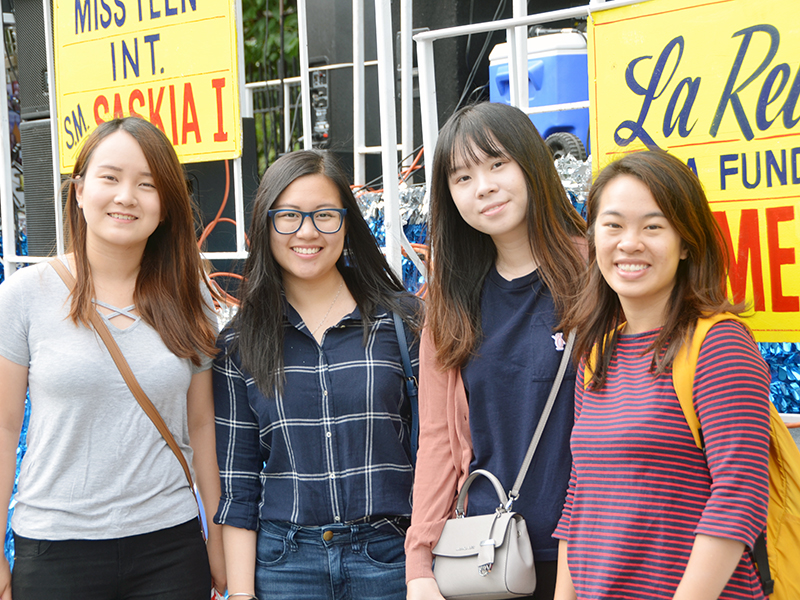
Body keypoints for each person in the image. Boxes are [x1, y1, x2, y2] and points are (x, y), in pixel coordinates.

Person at [0, 117, 226, 599]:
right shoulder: (23, 296)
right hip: (55, 549)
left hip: (169, 547)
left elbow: (202, 425)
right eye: (110, 177)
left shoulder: (191, 298)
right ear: (78, 191)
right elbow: (2, 430)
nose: (126, 196)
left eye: (147, 184)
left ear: (165, 206)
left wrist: (217, 536)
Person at [552, 150, 770, 600]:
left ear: (687, 242)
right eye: (613, 225)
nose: (630, 243)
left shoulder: (718, 344)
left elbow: (738, 496)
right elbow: (581, 496)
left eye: (653, 226)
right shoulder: (597, 350)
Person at [213, 149, 422, 600]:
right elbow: (239, 485)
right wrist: (243, 594)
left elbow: (437, 452)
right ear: (265, 226)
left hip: (390, 557)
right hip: (285, 565)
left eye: (324, 215)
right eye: (288, 216)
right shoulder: (239, 343)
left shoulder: (402, 323)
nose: (307, 231)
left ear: (346, 223)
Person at [405, 102, 587, 600]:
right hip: (488, 558)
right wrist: (419, 563)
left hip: (591, 552)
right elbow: (439, 440)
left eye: (497, 164)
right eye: (462, 178)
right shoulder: (448, 301)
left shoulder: (595, 274)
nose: (482, 186)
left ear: (531, 164)